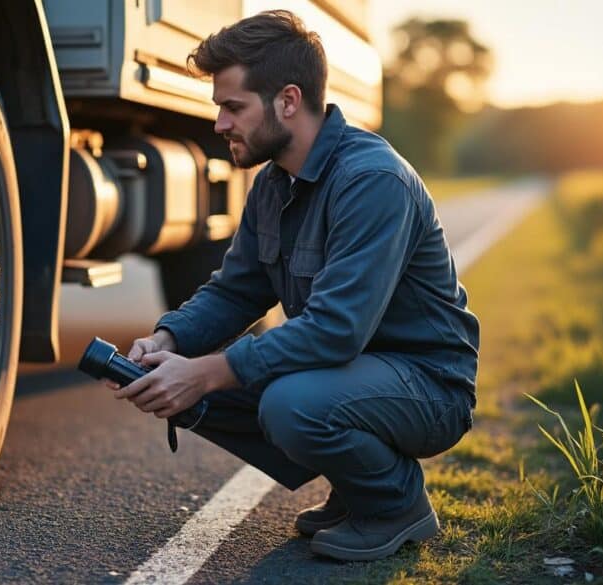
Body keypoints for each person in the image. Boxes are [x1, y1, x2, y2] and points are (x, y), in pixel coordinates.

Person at [104, 10, 479, 562]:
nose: (219, 125)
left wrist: (207, 372)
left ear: (287, 101)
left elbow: (335, 331)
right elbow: (235, 291)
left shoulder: (372, 180)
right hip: (353, 375)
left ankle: (395, 504)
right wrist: (170, 343)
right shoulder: (273, 185)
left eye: (233, 108)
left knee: (286, 402)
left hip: (427, 384)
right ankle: (355, 488)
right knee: (184, 385)